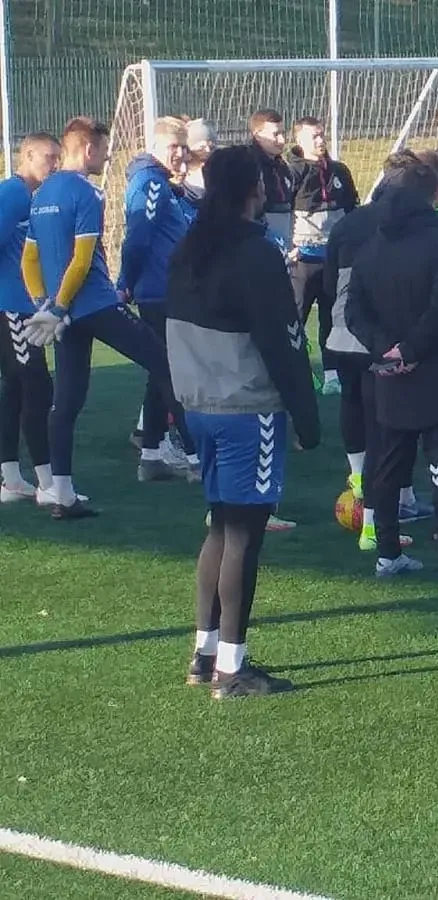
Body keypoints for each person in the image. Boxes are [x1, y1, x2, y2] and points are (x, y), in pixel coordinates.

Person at [165, 144, 320, 697]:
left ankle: (205, 653)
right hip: (246, 408)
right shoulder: (254, 253)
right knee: (244, 537)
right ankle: (232, 667)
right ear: (254, 189)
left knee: (221, 526)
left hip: (200, 406)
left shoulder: (189, 248)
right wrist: (307, 417)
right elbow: (283, 342)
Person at [19, 117, 196, 519]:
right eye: (103, 149)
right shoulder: (87, 192)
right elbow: (82, 260)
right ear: (88, 149)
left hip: (65, 315)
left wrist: (46, 304)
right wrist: (59, 306)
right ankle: (196, 457)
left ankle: (62, 493)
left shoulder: (42, 193)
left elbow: (29, 259)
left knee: (66, 400)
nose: (108, 157)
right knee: (166, 364)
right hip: (95, 304)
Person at [324, 151, 438, 552]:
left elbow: (349, 307)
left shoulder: (369, 242)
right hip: (436, 366)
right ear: (433, 196)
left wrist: (386, 349)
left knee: (386, 456)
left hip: (385, 367)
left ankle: (386, 551)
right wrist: (409, 349)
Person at [119, 115, 202, 483]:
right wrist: (126, 281)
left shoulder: (161, 182)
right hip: (159, 291)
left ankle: (152, 455)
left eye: (183, 147)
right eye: (173, 147)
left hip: (166, 287)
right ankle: (197, 457)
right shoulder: (150, 182)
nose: (180, 154)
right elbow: (138, 237)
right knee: (175, 371)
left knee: (160, 369)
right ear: (154, 147)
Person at [0, 133, 60, 506]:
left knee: (16, 390)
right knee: (37, 387)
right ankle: (48, 482)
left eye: (57, 158)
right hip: (12, 308)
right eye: (48, 157)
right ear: (28, 155)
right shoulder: (14, 193)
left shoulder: (30, 196)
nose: (54, 164)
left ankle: (11, 480)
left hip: (20, 306)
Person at [286, 115, 359, 395]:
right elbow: (282, 212)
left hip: (334, 260)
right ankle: (297, 374)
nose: (320, 140)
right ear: (299, 140)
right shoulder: (291, 172)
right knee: (295, 319)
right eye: (313, 136)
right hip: (303, 261)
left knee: (332, 317)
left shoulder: (339, 170)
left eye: (321, 134)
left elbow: (352, 210)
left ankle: (331, 375)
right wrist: (289, 246)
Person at [246, 109, 294, 245]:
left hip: (284, 244)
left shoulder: (283, 166)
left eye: (283, 133)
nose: (282, 140)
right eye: (275, 134)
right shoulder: (250, 165)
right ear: (257, 135)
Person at [180, 119, 216, 201]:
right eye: (201, 147)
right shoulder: (180, 176)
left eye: (212, 147)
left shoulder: (218, 170)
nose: (207, 150)